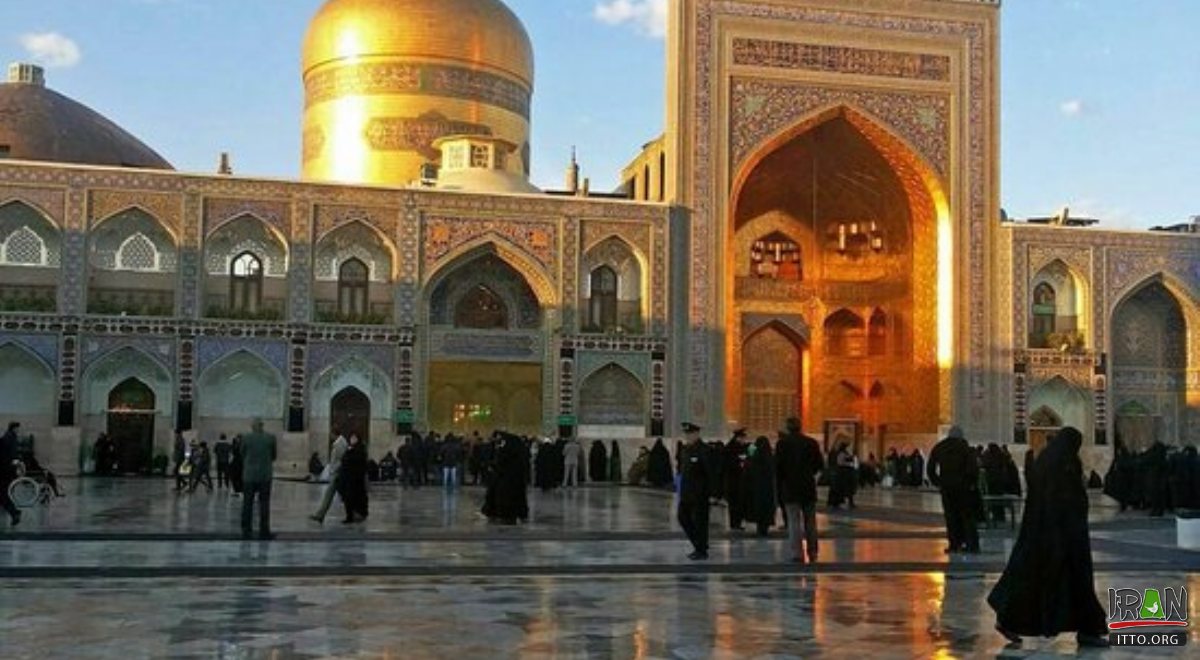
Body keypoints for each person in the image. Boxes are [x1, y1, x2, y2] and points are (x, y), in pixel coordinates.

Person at [988, 427, 1110, 648]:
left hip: (1041, 533)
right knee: (1074, 582)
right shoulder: (1064, 464)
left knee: (1032, 579)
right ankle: (1087, 630)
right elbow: (1065, 500)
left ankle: (1008, 620)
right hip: (1065, 536)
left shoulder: (1046, 460)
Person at [775, 417, 823, 563]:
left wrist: (782, 482)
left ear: (788, 428)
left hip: (790, 487)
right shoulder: (811, 443)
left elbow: (778, 467)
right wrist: (808, 474)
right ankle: (813, 552)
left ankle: (797, 553)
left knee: (794, 521)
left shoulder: (782, 444)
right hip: (807, 486)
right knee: (810, 522)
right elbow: (819, 464)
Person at [927, 426, 980, 553]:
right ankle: (971, 544)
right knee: (967, 517)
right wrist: (970, 483)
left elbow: (930, 468)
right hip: (963, 489)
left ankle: (954, 544)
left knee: (951, 517)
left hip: (947, 488)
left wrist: (938, 482)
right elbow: (973, 468)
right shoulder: (965, 448)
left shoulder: (940, 447)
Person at [677, 422, 712, 560]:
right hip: (686, 493)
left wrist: (712, 493)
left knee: (700, 522)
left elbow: (710, 473)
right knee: (682, 517)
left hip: (700, 494)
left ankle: (701, 550)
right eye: (686, 434)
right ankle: (699, 543)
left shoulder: (704, 450)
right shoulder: (686, 450)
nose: (688, 436)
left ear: (697, 434)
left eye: (690, 434)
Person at [240, 419, 276, 540]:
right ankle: (264, 530)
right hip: (265, 475)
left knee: (247, 503)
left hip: (249, 475)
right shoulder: (271, 438)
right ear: (262, 426)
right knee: (264, 504)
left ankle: (246, 530)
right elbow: (274, 456)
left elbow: (242, 454)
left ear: (252, 427)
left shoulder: (246, 438)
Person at [482, 432, 530, 524]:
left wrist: (493, 467)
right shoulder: (519, 452)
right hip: (513, 482)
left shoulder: (506, 451)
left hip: (504, 481)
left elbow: (501, 464)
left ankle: (503, 514)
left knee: (504, 498)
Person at [311, 434, 348, 524]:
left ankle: (320, 514)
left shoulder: (340, 443)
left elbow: (341, 458)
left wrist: (335, 469)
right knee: (331, 493)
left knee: (343, 495)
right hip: (337, 472)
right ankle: (320, 514)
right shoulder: (339, 442)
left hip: (338, 473)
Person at [747, 436, 777, 537]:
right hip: (768, 488)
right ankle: (765, 528)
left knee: (759, 507)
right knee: (767, 508)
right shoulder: (770, 457)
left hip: (757, 487)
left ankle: (760, 528)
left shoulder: (755, 456)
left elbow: (749, 468)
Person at [339, 434, 369, 523]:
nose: (352, 439)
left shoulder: (360, 450)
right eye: (351, 437)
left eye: (354, 438)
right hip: (349, 478)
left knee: (355, 498)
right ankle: (350, 516)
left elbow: (358, 462)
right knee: (348, 498)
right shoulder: (350, 449)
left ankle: (355, 515)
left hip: (356, 479)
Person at [724, 428, 750, 531]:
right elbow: (730, 464)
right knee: (734, 504)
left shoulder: (743, 447)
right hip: (733, 481)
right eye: (743, 438)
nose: (744, 440)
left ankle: (737, 523)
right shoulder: (730, 448)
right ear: (738, 438)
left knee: (738, 503)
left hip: (740, 480)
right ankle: (735, 524)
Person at [1, 422, 23, 526]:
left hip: (4, 470)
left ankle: (14, 513)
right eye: (18, 428)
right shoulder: (9, 438)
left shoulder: (7, 438)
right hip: (6, 469)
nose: (19, 430)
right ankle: (14, 512)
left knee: (2, 494)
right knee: (2, 494)